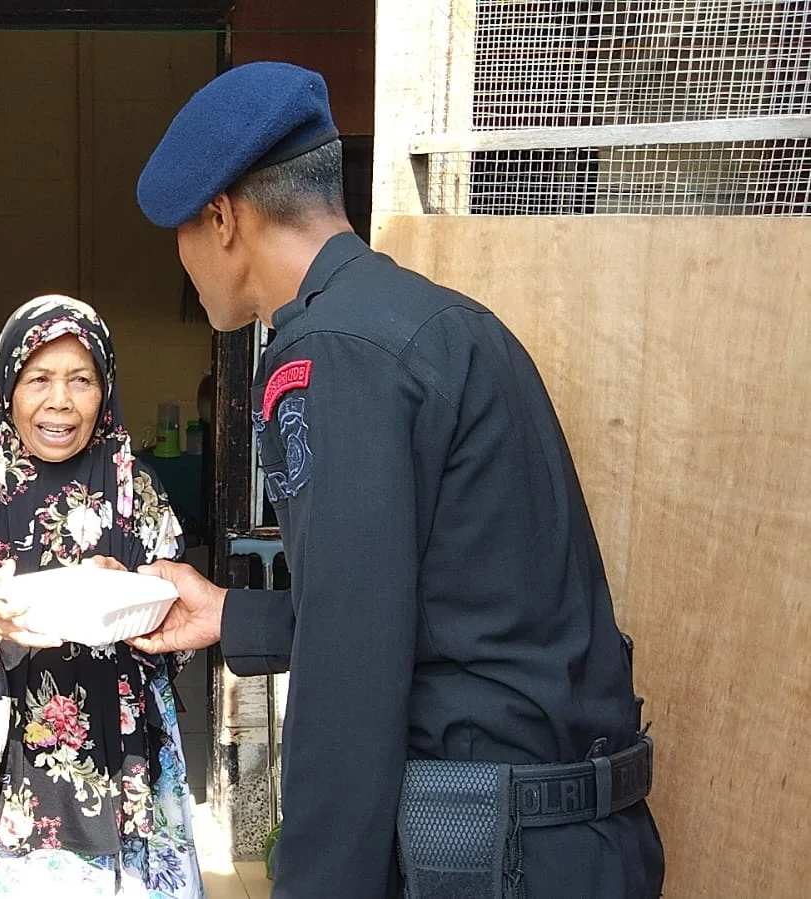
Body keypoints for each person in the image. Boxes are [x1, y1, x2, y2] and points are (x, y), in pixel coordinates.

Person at [126, 62, 665, 898]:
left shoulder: (329, 352)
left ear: (222, 217)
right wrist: (230, 612)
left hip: (497, 851)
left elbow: (351, 677)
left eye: (179, 234)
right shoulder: (440, 321)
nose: (183, 265)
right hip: (579, 838)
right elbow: (443, 606)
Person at [0, 297, 202, 898]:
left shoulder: (134, 486)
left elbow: (174, 633)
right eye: (39, 379)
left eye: (81, 380)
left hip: (119, 747)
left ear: (104, 390)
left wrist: (131, 590)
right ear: (7, 386)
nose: (60, 401)